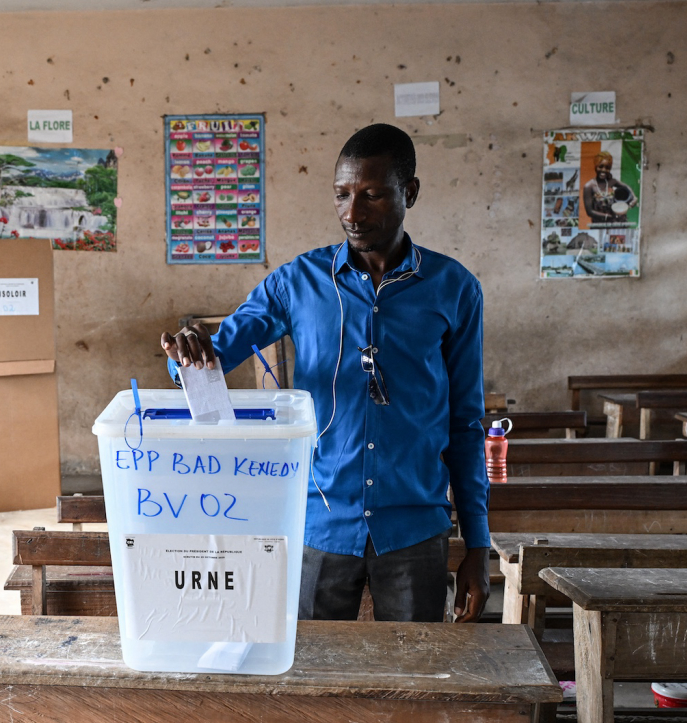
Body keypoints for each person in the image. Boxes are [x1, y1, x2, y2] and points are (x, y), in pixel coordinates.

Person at [160, 124, 490, 623]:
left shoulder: (455, 290)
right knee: (311, 682)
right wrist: (184, 354)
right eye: (341, 195)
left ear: (411, 193)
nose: (352, 214)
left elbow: (466, 423)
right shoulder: (298, 283)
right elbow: (213, 354)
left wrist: (478, 546)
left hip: (415, 528)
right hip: (320, 523)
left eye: (372, 195)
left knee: (415, 681)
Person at [582, 150, 638, 223]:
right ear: (595, 166)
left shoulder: (612, 182)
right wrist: (609, 217)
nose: (604, 170)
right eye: (600, 166)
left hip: (618, 223)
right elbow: (589, 212)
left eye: (607, 167)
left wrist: (634, 198)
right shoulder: (589, 186)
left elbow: (627, 187)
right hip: (599, 225)